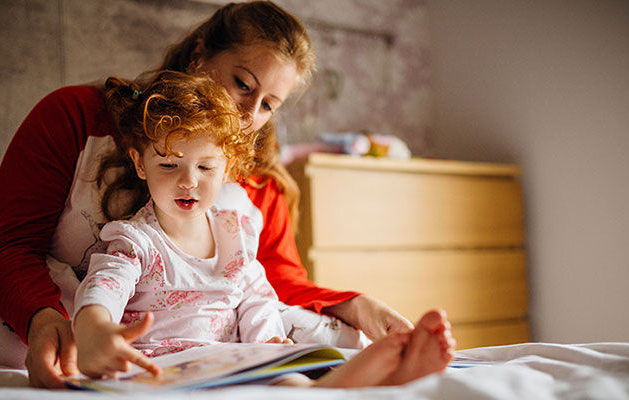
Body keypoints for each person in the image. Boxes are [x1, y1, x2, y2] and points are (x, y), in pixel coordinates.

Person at [0, 1, 413, 388]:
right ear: (200, 55)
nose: (248, 115)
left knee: (309, 330)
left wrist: (355, 306)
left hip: (217, 326)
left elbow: (270, 278)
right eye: (243, 84)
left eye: (268, 105)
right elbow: (13, 246)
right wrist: (44, 320)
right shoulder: (74, 117)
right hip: (99, 315)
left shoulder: (254, 184)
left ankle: (353, 375)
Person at [68, 70, 453, 388]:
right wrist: (95, 330)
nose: (188, 182)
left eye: (205, 168)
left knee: (287, 381)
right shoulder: (136, 241)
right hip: (166, 367)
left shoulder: (234, 231)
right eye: (169, 166)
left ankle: (381, 382)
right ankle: (358, 384)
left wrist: (268, 342)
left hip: (235, 360)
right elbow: (104, 286)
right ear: (139, 164)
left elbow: (255, 297)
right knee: (285, 390)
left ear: (227, 168)